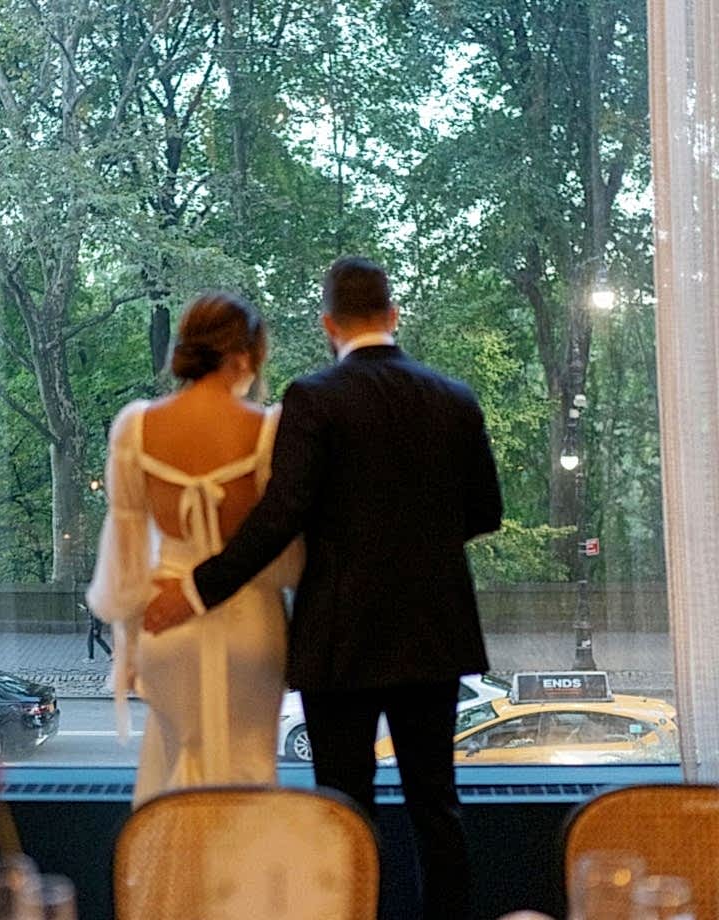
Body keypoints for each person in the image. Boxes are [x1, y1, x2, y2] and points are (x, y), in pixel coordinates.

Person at [145, 256, 503, 920]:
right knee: (437, 805)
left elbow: (280, 517)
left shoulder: (315, 400)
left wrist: (197, 587)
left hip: (342, 639)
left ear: (328, 324)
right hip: (435, 634)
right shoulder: (455, 399)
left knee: (343, 808)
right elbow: (486, 513)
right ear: (393, 316)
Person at [85, 292, 302, 807]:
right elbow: (289, 561)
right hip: (252, 630)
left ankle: (172, 882)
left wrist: (130, 645)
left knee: (170, 771)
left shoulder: (136, 427)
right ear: (246, 355)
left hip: (167, 627)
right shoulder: (269, 431)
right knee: (249, 776)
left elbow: (124, 565)